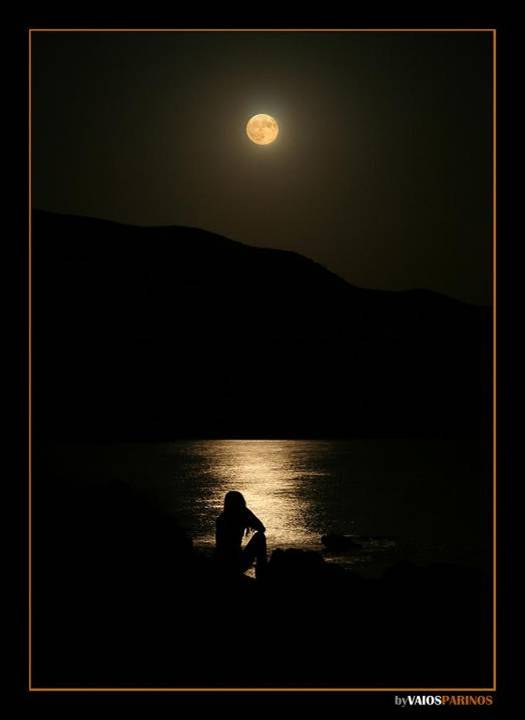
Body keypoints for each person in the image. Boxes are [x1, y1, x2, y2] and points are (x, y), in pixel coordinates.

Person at [215, 491, 267, 578]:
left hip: (220, 562)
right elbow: (261, 528)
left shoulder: (221, 518)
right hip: (235, 563)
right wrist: (247, 511)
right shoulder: (242, 515)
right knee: (260, 537)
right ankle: (262, 574)